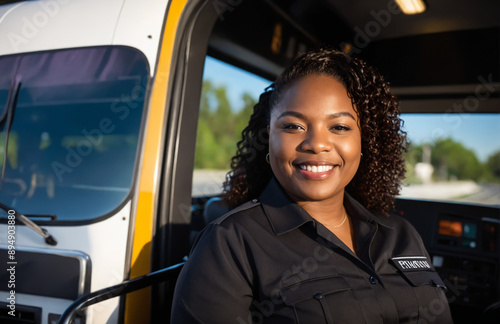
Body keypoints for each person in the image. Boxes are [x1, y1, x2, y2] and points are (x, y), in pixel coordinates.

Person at [171, 48, 453, 323]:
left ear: (363, 139)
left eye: (339, 127)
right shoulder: (228, 244)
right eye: (293, 126)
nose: (316, 144)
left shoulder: (401, 233)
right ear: (269, 136)